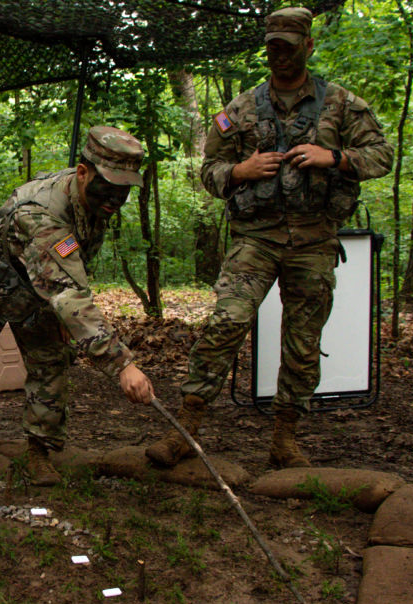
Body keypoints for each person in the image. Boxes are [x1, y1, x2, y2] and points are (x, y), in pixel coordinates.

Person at [145, 7, 393, 469]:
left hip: (314, 240)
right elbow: (208, 172)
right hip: (255, 239)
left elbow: (382, 155)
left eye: (288, 47)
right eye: (272, 47)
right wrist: (240, 170)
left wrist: (333, 157)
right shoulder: (239, 110)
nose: (279, 55)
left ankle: (285, 439)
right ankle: (184, 431)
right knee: (227, 323)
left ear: (308, 47)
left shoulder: (341, 104)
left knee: (302, 343)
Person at [0, 126, 155, 485]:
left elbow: (69, 273)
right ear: (83, 172)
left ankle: (39, 452)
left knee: (52, 363)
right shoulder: (42, 214)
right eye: (109, 187)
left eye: (125, 190)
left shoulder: (93, 202)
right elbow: (69, 292)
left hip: (38, 291)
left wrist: (67, 314)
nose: (116, 198)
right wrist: (122, 364)